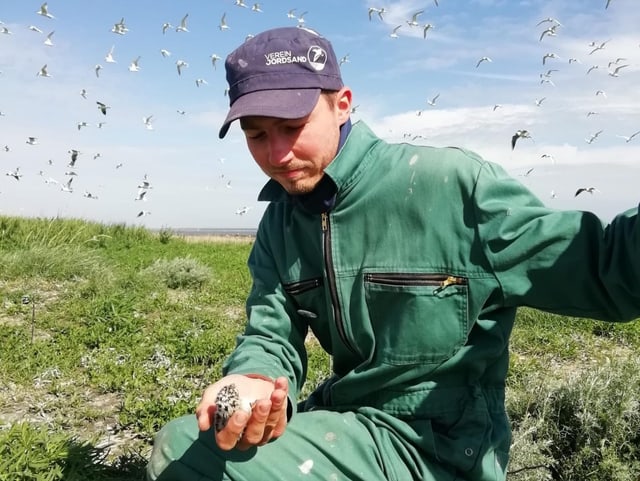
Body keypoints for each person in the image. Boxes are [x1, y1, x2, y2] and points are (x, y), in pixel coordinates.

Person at [147, 26, 640, 481]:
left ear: (342, 104)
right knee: (195, 444)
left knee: (181, 452)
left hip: (439, 450)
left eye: (291, 125)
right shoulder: (281, 221)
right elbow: (270, 332)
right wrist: (254, 379)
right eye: (256, 135)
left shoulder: (450, 188)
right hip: (350, 424)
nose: (276, 155)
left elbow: (610, 268)